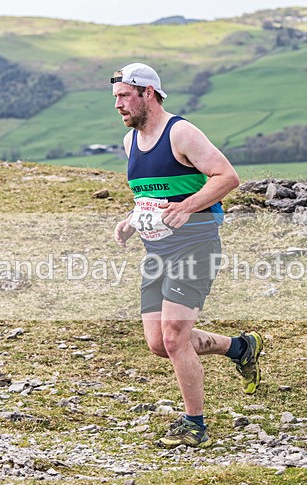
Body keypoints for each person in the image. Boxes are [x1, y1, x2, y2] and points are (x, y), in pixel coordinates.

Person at [111, 62, 264, 448]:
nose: (118, 104)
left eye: (124, 96)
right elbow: (149, 195)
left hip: (196, 246)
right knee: (159, 343)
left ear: (148, 93)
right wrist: (132, 219)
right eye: (115, 97)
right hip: (157, 253)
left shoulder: (180, 133)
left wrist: (189, 206)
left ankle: (195, 426)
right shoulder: (130, 142)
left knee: (174, 336)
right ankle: (240, 347)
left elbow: (227, 177)